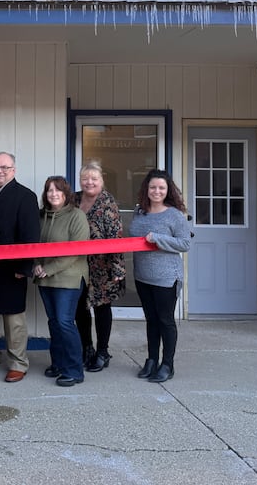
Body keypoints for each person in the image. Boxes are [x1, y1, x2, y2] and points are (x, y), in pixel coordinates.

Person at [0, 152, 40, 383]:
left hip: (12, 267)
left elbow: (31, 235)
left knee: (13, 318)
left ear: (14, 170)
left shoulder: (25, 196)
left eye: (5, 167)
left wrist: (25, 266)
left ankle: (18, 363)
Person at [129, 169, 191, 383]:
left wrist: (157, 238)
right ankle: (152, 360)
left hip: (166, 277)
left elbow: (185, 243)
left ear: (168, 190)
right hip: (142, 276)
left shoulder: (174, 215)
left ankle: (167, 364)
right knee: (151, 320)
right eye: (153, 187)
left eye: (161, 188)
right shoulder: (139, 212)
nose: (156, 191)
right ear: (147, 189)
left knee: (165, 321)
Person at [33, 176, 90, 388]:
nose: (53, 194)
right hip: (45, 277)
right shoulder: (41, 216)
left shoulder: (77, 216)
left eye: (58, 190)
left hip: (69, 277)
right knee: (54, 322)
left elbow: (75, 252)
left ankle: (74, 371)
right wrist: (37, 265)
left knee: (65, 322)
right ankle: (58, 363)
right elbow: (34, 244)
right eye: (49, 190)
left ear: (66, 194)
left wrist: (47, 269)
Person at [75, 161, 126, 373]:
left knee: (102, 308)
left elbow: (116, 236)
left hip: (102, 266)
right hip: (78, 264)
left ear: (101, 181)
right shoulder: (74, 199)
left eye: (94, 178)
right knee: (80, 308)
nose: (89, 182)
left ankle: (102, 351)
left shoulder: (108, 202)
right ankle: (86, 347)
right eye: (85, 178)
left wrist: (117, 268)